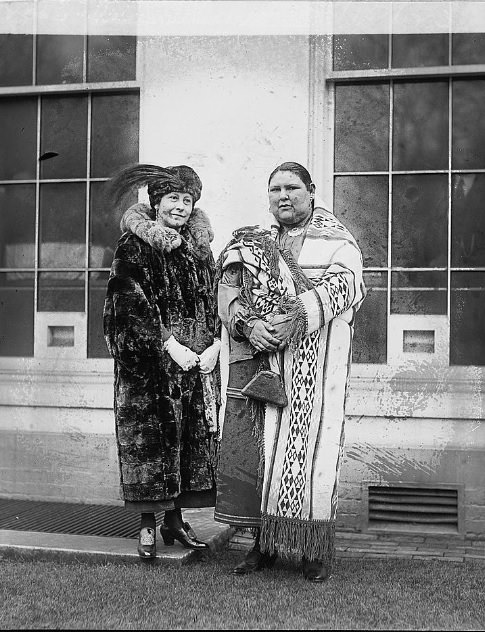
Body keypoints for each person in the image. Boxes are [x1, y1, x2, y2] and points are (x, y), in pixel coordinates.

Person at [214, 162, 366, 581]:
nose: (284, 196)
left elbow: (346, 286)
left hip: (315, 369)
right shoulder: (256, 244)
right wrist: (250, 326)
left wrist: (292, 318)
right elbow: (230, 293)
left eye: (292, 188)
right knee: (266, 460)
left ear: (312, 192)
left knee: (312, 460)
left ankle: (313, 553)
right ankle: (263, 547)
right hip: (264, 369)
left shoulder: (337, 241)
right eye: (275, 188)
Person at [103, 163, 221, 559]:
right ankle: (147, 526)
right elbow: (127, 306)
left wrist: (213, 346)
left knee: (186, 446)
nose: (181, 207)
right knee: (151, 447)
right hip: (149, 371)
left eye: (188, 200)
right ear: (156, 203)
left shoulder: (201, 252)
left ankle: (175, 522)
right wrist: (168, 345)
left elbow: (213, 301)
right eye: (173, 198)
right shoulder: (134, 246)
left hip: (192, 370)